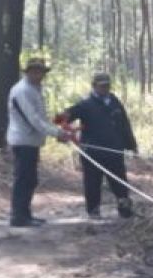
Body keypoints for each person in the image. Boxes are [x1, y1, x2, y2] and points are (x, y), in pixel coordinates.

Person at [57, 72, 138, 219]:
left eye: (107, 85)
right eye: (101, 86)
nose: (105, 88)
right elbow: (63, 118)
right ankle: (93, 211)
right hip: (92, 152)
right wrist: (62, 123)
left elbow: (125, 124)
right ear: (94, 86)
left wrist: (132, 145)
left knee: (119, 181)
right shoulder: (85, 104)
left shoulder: (114, 102)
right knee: (92, 182)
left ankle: (124, 208)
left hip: (114, 150)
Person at [7, 58, 70, 227]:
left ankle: (25, 214)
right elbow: (33, 119)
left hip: (32, 141)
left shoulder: (35, 89)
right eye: (34, 71)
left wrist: (56, 131)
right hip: (22, 140)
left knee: (30, 179)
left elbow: (40, 118)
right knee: (23, 179)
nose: (38, 74)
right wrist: (56, 132)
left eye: (41, 71)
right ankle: (18, 216)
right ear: (27, 72)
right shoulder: (22, 90)